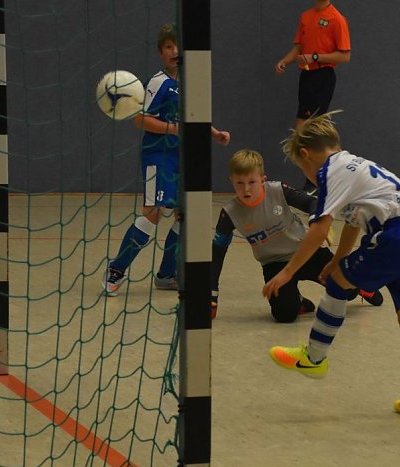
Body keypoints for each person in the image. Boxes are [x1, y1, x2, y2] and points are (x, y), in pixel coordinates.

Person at [263, 112, 400, 417]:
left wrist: (287, 272)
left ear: (306, 155)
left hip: (392, 239)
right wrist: (336, 260)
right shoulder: (356, 165)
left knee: (337, 284)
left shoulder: (329, 172)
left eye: (302, 168)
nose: (307, 176)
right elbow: (352, 224)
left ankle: (315, 357)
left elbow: (320, 228)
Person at [104, 23, 231, 297]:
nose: (175, 51)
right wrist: (174, 129)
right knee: (152, 213)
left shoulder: (186, 83)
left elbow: (191, 118)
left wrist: (214, 132)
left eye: (178, 46)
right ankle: (116, 269)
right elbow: (140, 119)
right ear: (162, 53)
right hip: (157, 156)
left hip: (182, 159)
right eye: (169, 47)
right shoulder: (158, 82)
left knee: (184, 216)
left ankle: (166, 274)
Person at [212, 149, 383, 322]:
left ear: (262, 181)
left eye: (251, 182)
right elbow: (217, 253)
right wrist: (212, 294)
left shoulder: (278, 190)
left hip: (306, 252)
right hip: (274, 263)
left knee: (347, 290)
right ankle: (298, 301)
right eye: (239, 183)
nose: (246, 189)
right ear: (232, 182)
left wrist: (315, 223)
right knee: (284, 315)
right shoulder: (229, 214)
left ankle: (359, 287)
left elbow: (312, 202)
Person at [275, 1, 351, 192]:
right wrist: (285, 61)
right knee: (309, 132)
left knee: (306, 131)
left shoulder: (336, 18)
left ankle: (318, 182)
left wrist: (316, 57)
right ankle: (319, 180)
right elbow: (299, 48)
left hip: (322, 76)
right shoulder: (306, 16)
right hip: (306, 77)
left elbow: (344, 56)